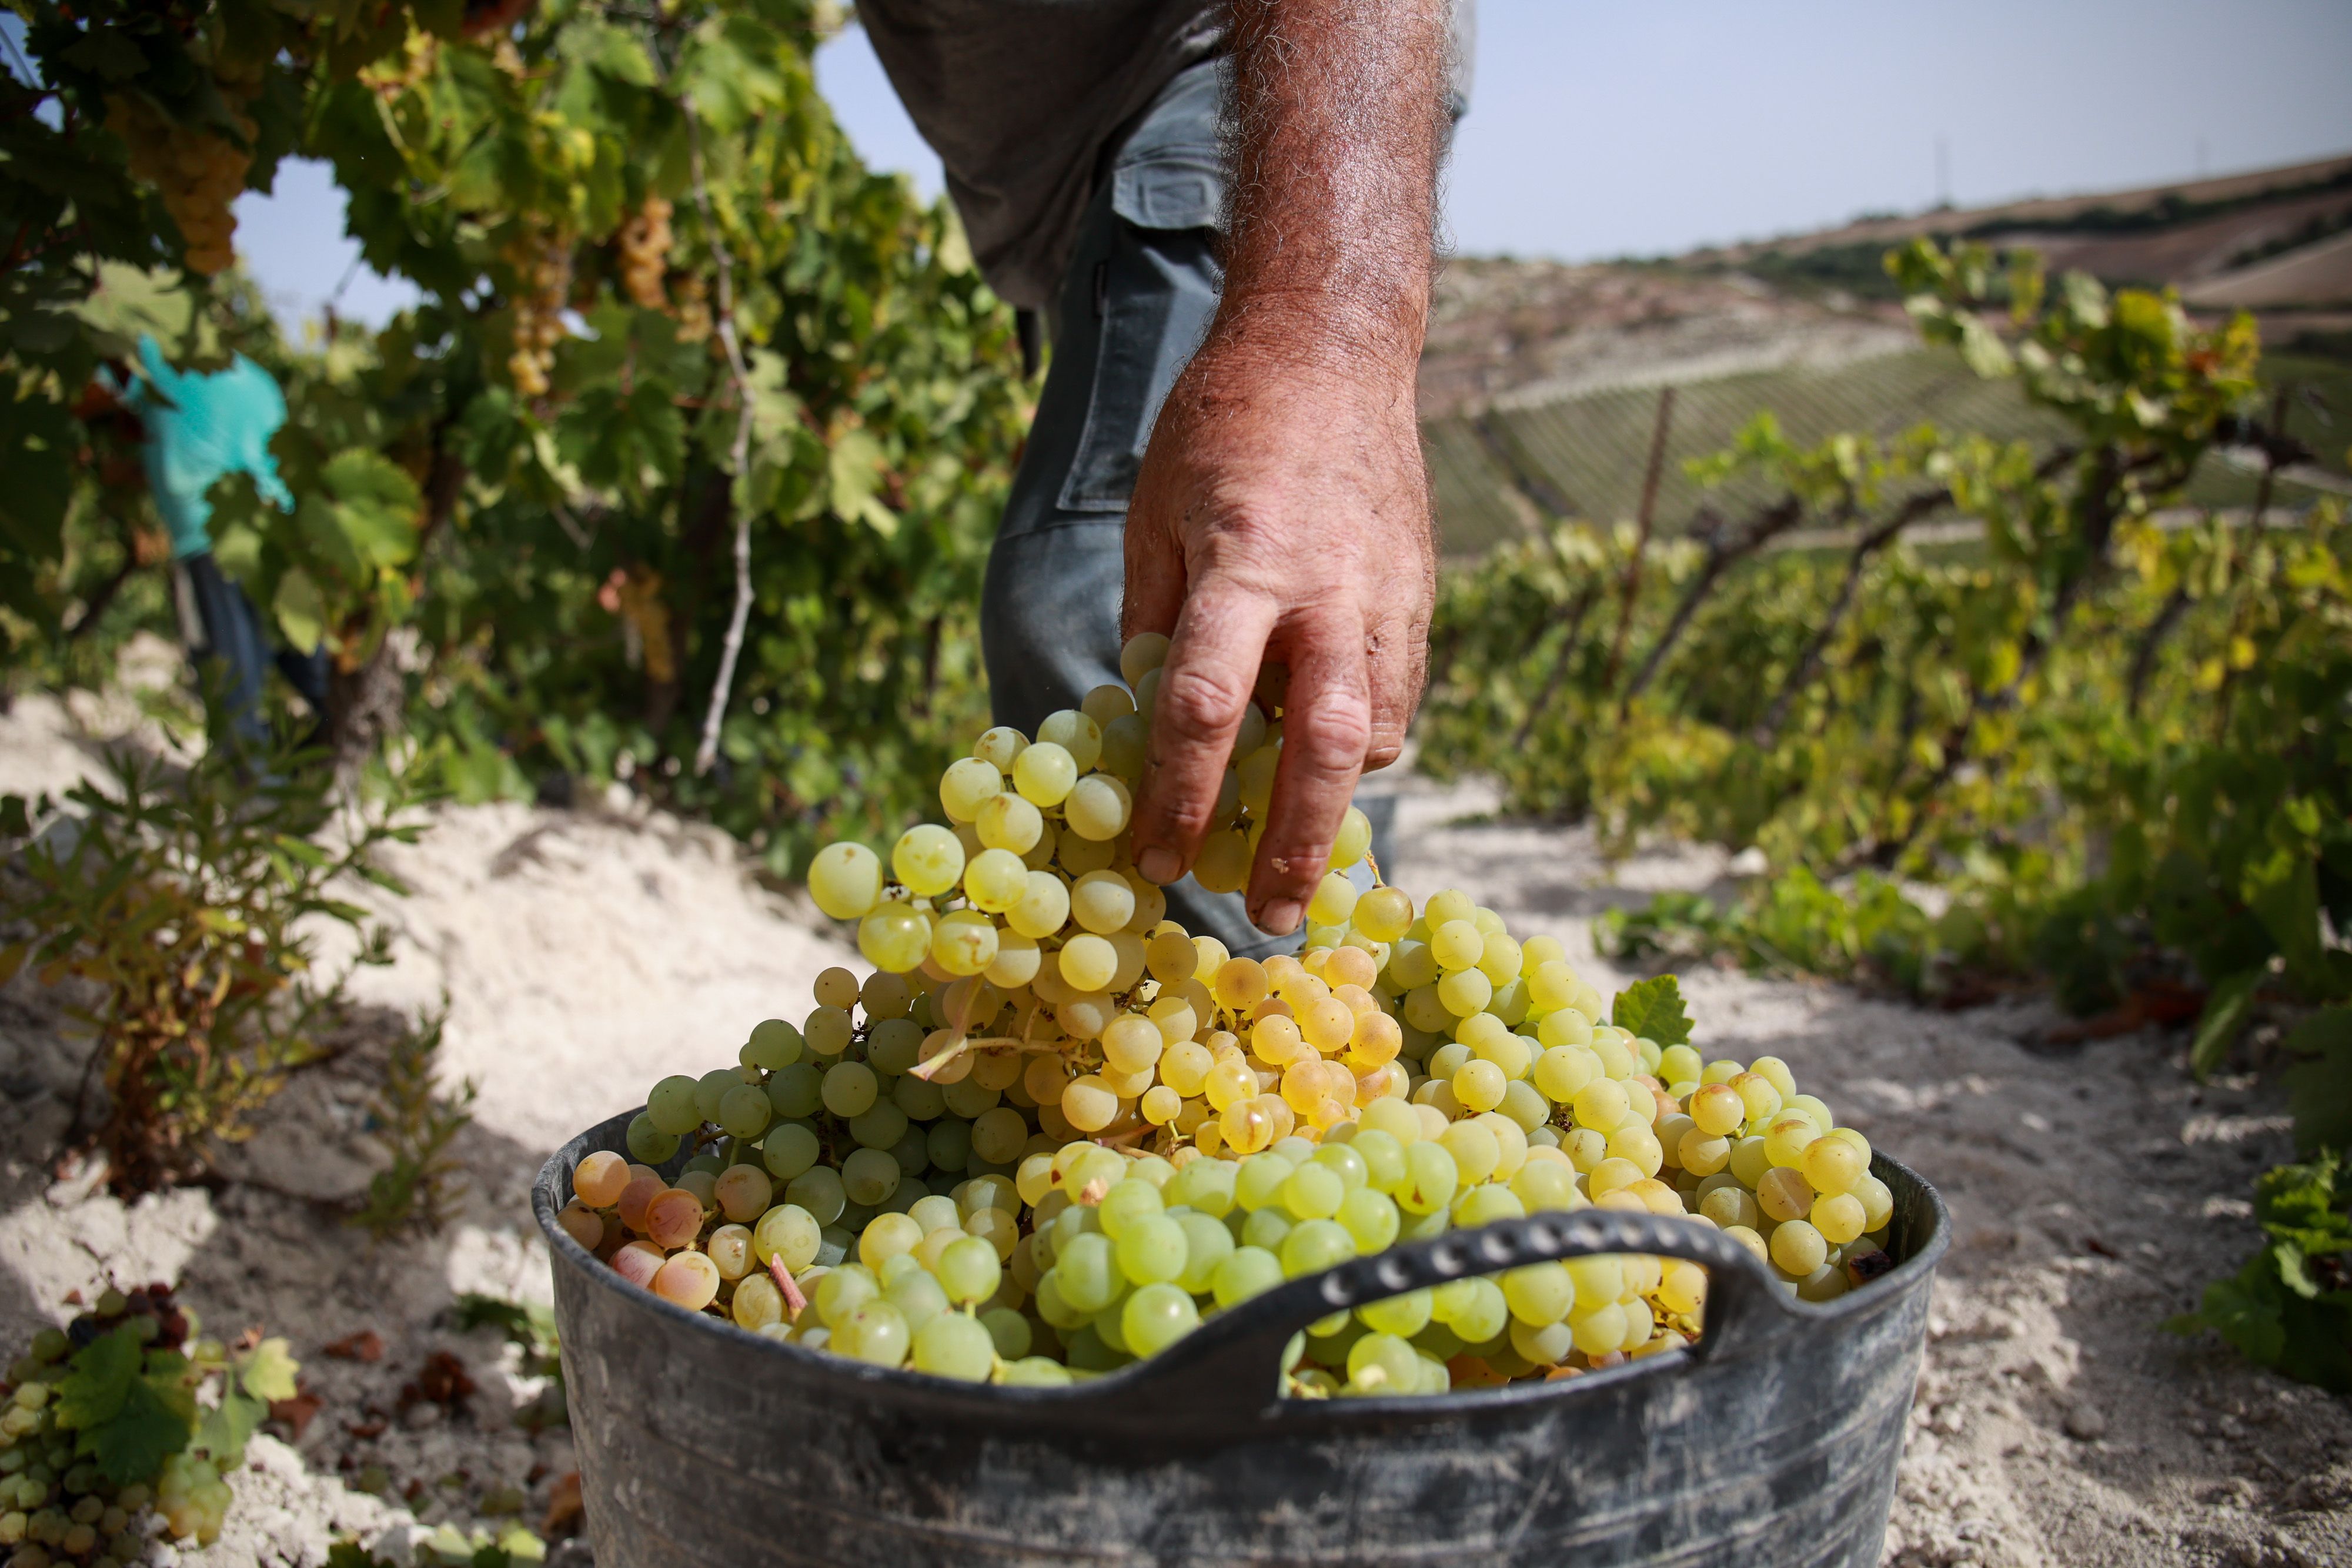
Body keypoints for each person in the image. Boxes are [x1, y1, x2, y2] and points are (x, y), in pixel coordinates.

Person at [857, 0, 1468, 957]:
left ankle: (1273, 1074)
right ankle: (1343, 997)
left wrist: (1324, 333)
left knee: (1099, 607)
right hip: (1102, 172)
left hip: (1253, 78)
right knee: (1244, 665)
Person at [125, 334, 329, 750]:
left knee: (226, 665)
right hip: (277, 531)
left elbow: (90, 393)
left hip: (205, 528)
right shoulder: (260, 381)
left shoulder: (151, 351)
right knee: (305, 653)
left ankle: (243, 775)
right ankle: (339, 741)